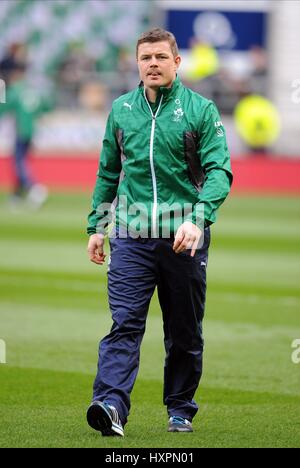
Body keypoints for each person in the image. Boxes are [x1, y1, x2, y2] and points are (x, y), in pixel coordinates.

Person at [86, 28, 233, 437]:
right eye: (145, 57)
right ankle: (110, 404)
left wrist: (198, 218)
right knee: (125, 323)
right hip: (131, 237)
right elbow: (108, 172)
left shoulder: (200, 110)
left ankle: (180, 408)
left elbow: (220, 172)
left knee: (184, 330)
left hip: (183, 238)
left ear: (176, 62)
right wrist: (97, 227)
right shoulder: (121, 110)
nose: (153, 64)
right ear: (137, 63)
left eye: (160, 57)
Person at [0, 59, 50, 208]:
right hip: (31, 130)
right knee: (20, 159)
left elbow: (4, 108)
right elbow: (44, 107)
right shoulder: (33, 90)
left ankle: (34, 187)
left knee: (18, 161)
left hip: (21, 129)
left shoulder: (15, 90)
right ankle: (17, 194)